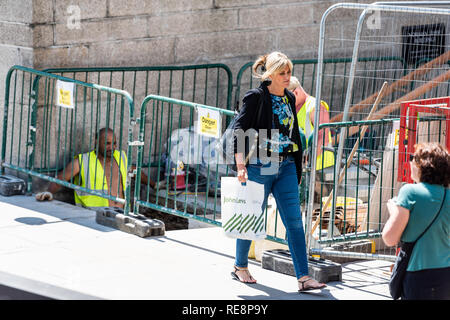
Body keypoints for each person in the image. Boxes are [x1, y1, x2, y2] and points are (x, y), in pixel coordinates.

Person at [230, 51, 326, 292]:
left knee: (294, 221)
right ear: (270, 74)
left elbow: (292, 132)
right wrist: (241, 166)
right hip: (262, 163)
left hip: (286, 166)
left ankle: (303, 278)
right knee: (252, 216)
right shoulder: (255, 97)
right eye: (282, 73)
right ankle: (240, 266)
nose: (287, 77)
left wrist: (297, 159)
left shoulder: (289, 98)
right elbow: (239, 129)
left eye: (289, 72)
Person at [382, 142, 450, 300]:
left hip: (417, 274)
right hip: (445, 273)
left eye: (414, 158)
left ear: (422, 165)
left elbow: (389, 238)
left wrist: (393, 210)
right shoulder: (448, 196)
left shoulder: (410, 192)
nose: (410, 161)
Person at [35, 127, 157, 209]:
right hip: (92, 216)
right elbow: (60, 178)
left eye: (114, 143)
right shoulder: (83, 161)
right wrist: (48, 192)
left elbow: (135, 171)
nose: (112, 147)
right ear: (97, 142)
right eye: (107, 143)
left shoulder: (121, 157)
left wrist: (154, 185)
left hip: (121, 213)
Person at [288, 76, 334, 172]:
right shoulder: (292, 108)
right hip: (302, 166)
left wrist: (306, 162)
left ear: (295, 92)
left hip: (320, 166)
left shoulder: (315, 106)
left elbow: (323, 137)